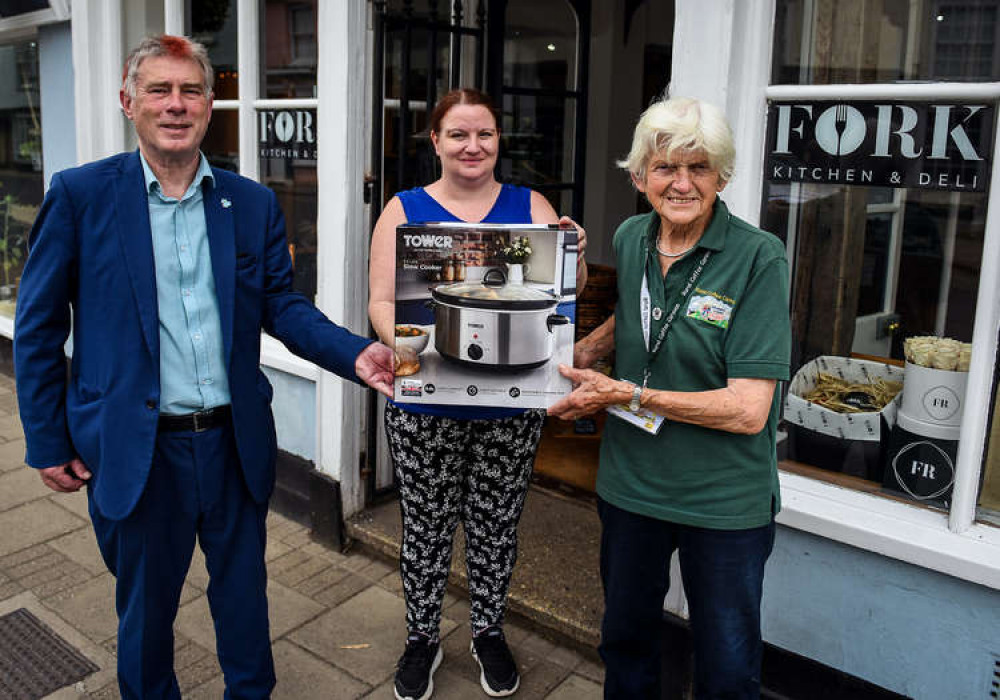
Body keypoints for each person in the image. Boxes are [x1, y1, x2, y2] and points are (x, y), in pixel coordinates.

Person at [13, 35, 394, 700]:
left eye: (190, 90)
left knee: (245, 605)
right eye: (158, 90)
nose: (175, 104)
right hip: (136, 449)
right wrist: (48, 439)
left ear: (210, 105)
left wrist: (354, 352)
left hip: (231, 444)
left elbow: (282, 306)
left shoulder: (250, 203)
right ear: (129, 101)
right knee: (145, 617)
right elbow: (39, 328)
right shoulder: (80, 196)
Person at [548, 96, 791, 699]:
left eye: (699, 167)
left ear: (722, 177)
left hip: (723, 501)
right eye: (665, 168)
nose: (681, 183)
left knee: (728, 669)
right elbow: (634, 322)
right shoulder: (631, 237)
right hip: (632, 487)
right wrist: (575, 356)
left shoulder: (760, 257)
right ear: (639, 177)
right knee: (626, 644)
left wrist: (626, 393)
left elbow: (747, 409)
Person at [368, 88, 586, 700]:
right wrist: (407, 345)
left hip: (511, 402)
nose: (473, 146)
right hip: (427, 399)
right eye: (458, 134)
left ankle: (488, 630)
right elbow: (381, 302)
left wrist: (579, 254)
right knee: (426, 524)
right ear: (435, 141)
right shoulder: (405, 209)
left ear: (499, 140)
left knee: (496, 522)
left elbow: (568, 291)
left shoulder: (531, 205)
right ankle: (421, 638)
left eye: (484, 134)